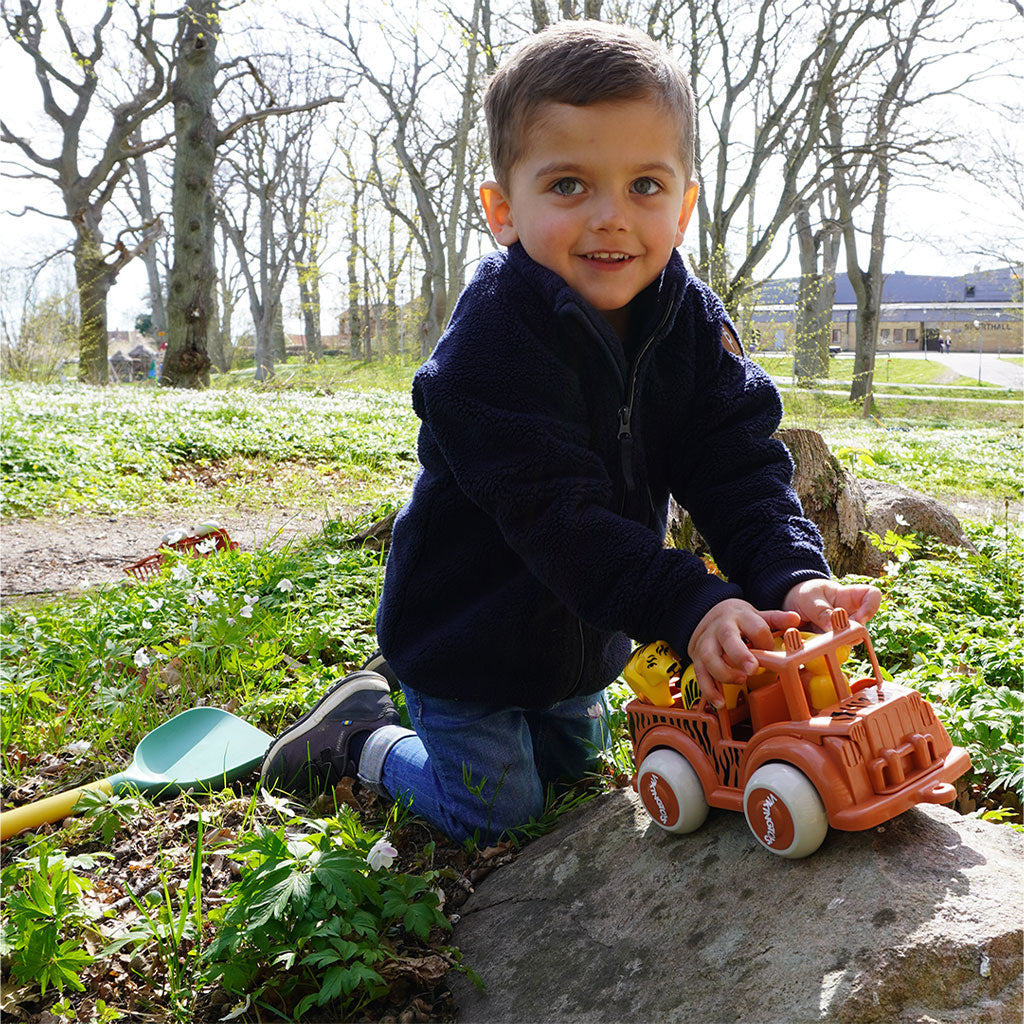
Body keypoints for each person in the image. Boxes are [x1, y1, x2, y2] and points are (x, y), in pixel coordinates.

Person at [261, 21, 881, 843]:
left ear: (685, 203)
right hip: (466, 641)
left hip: (583, 638)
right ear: (502, 210)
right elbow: (557, 517)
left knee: (576, 778)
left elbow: (733, 461)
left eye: (645, 187)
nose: (611, 218)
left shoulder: (687, 319)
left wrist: (788, 578)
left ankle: (518, 719)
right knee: (499, 811)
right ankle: (360, 738)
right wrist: (688, 603)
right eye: (567, 186)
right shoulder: (492, 341)